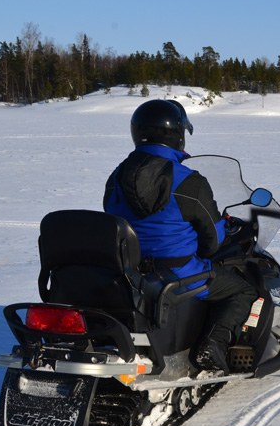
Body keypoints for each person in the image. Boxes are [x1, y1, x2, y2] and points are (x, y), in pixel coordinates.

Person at [103, 99, 257, 374]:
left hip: (132, 273)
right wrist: (225, 227)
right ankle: (213, 345)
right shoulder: (190, 181)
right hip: (180, 274)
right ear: (178, 134)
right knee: (243, 289)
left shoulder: (116, 176)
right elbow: (212, 242)